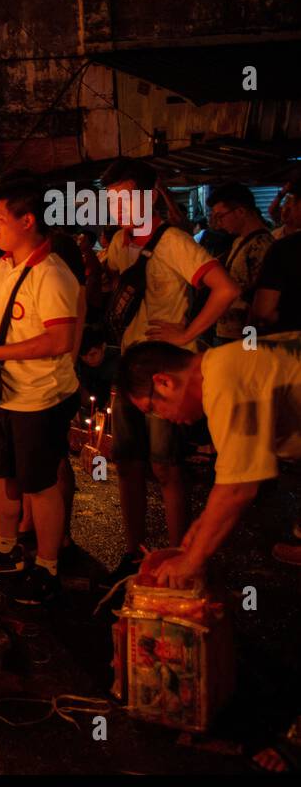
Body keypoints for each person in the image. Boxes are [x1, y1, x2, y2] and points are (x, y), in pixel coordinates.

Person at [100, 159, 239, 577]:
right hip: (129, 366)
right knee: (128, 462)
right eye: (112, 201)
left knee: (165, 465)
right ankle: (134, 551)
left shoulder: (173, 240)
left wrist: (186, 333)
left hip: (168, 373)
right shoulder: (119, 243)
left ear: (150, 193)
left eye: (126, 197)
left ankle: (179, 554)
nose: (119, 208)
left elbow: (225, 289)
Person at [0, 178, 82, 603]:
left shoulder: (53, 274)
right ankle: (4, 550)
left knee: (40, 485)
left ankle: (47, 566)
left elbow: (59, 340)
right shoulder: (1, 268)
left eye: (1, 221)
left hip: (40, 398)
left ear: (28, 221)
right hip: (2, 395)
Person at [117, 336, 301, 584]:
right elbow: (231, 474)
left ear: (164, 382)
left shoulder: (223, 382)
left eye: (152, 408)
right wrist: (203, 525)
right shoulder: (223, 364)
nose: (160, 417)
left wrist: (191, 560)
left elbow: (238, 487)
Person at [207, 183, 274, 345]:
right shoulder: (238, 241)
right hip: (227, 331)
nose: (219, 222)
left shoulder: (262, 245)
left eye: (220, 216)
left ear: (241, 211)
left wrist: (249, 341)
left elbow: (259, 299)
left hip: (241, 335)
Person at [251, 174, 301, 335]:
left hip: (290, 345)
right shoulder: (278, 237)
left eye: (291, 203)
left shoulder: (284, 248)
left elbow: (264, 311)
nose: (287, 210)